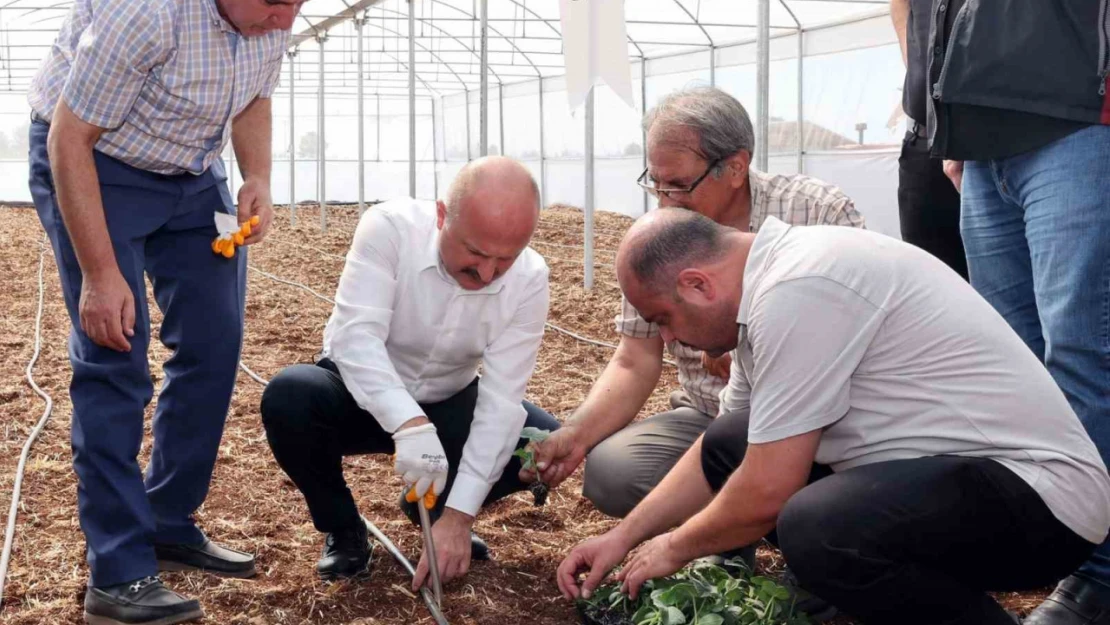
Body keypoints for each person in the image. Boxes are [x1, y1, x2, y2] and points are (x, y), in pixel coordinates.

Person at [556, 208, 1110, 625]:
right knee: (731, 438)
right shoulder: (766, 290)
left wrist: (670, 549)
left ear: (698, 284)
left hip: (1041, 502)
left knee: (819, 529)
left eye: (664, 319)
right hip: (952, 479)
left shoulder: (801, 286)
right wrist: (624, 537)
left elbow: (767, 492)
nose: (671, 338)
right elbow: (725, 451)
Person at [26, 1, 300, 623]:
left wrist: (257, 173)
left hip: (193, 174)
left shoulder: (270, 17)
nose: (286, 19)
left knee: (215, 340)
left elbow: (254, 95)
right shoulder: (146, 13)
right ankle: (118, 573)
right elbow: (70, 138)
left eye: (299, 2)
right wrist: (100, 275)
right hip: (94, 164)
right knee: (114, 352)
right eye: (275, 3)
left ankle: (167, 520)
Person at [522, 86, 864, 519]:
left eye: (680, 186)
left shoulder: (818, 214)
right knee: (614, 471)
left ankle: (777, 512)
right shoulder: (656, 239)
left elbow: (859, 333)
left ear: (735, 167)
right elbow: (634, 359)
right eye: (656, 183)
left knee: (819, 499)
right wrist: (576, 434)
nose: (666, 201)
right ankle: (737, 531)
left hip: (820, 421)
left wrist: (747, 348)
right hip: (712, 419)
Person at [260, 156, 560, 593]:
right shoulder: (390, 228)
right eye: (475, 252)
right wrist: (408, 422)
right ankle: (343, 528)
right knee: (291, 396)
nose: (488, 272)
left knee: (543, 447)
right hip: (358, 393)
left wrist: (461, 515)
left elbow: (500, 400)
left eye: (505, 259)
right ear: (442, 215)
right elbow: (355, 339)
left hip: (448, 398)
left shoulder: (531, 278)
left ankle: (438, 514)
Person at [923, 3, 1110, 621]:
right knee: (1020, 369)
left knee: (1084, 356)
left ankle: (1100, 576)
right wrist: (950, 129)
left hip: (1081, 121)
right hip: (983, 140)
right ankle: (1058, 546)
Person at [889, 0, 967, 279]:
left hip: (988, 139)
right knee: (926, 282)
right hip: (924, 140)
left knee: (998, 296)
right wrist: (917, 63)